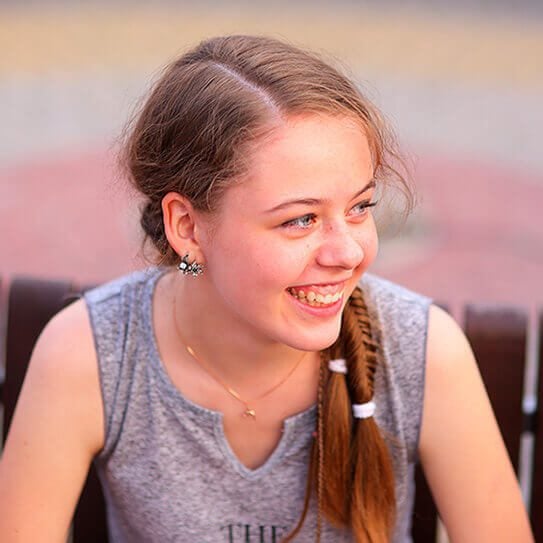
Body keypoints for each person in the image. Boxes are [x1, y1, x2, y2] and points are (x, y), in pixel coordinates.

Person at [0, 35, 534, 543]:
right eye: (300, 220)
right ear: (186, 227)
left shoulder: (420, 351)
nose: (348, 253)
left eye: (360, 208)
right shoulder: (93, 356)